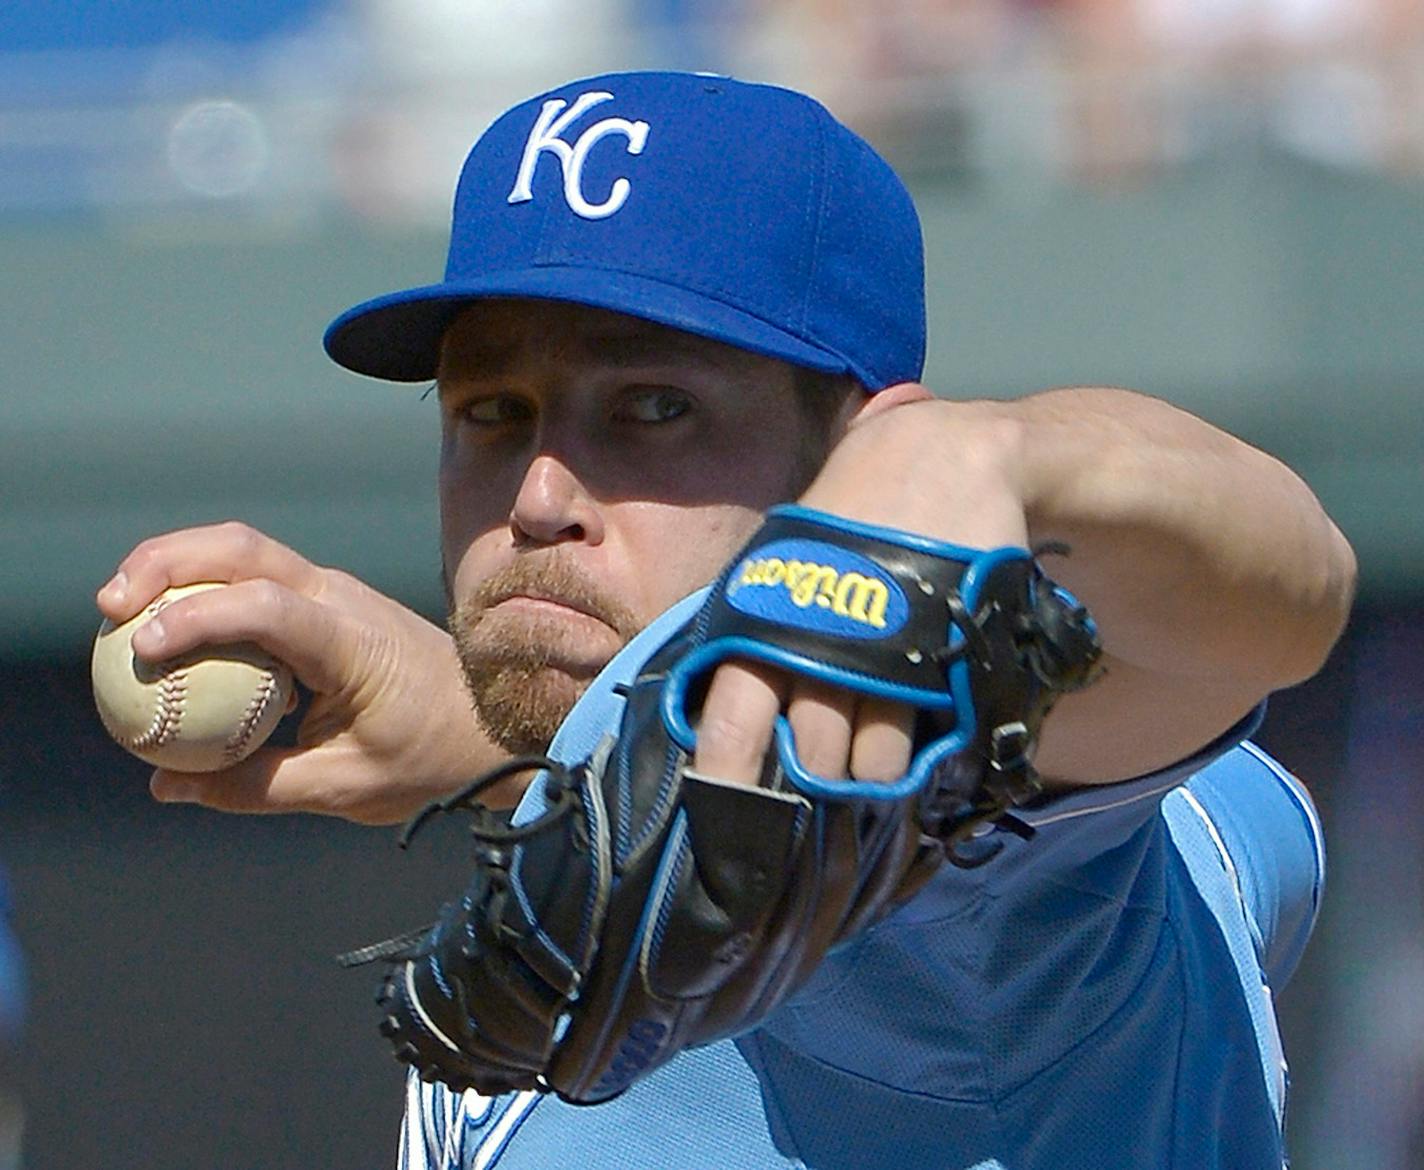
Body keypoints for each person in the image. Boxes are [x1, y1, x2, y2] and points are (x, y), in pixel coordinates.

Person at [96, 71, 1355, 1168]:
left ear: (855, 454)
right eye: (493, 413)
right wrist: (497, 743)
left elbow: (1278, 592)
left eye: (652, 410)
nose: (539, 496)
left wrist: (984, 458)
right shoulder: (1180, 834)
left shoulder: (968, 850)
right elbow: (1251, 827)